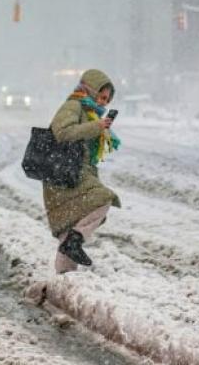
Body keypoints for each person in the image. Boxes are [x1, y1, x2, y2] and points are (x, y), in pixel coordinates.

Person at [46, 69, 121, 274]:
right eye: (102, 97)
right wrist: (96, 126)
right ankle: (76, 239)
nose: (104, 103)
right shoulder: (74, 106)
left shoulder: (89, 111)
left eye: (107, 100)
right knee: (104, 198)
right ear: (91, 89)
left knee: (68, 225)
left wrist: (97, 125)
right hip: (65, 173)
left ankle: (64, 278)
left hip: (71, 173)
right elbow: (61, 132)